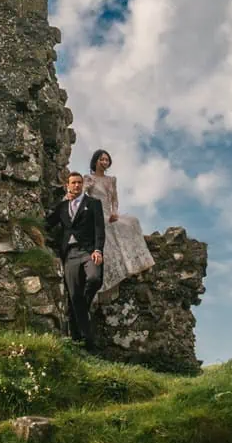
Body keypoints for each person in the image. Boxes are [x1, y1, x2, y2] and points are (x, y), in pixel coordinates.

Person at [45, 169, 106, 345]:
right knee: (73, 295)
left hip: (88, 251)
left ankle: (82, 307)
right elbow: (48, 223)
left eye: (79, 182)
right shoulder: (62, 207)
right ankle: (82, 340)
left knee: (95, 279)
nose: (77, 185)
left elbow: (99, 229)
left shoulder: (93, 203)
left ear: (83, 185)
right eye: (73, 182)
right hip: (70, 254)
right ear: (68, 186)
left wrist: (98, 250)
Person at [83, 148, 154, 295]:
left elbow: (114, 199)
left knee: (132, 222)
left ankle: (137, 263)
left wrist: (115, 212)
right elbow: (82, 193)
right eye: (102, 159)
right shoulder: (89, 178)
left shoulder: (111, 180)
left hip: (109, 214)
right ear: (95, 161)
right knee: (108, 229)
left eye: (107, 160)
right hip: (96, 213)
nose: (104, 162)